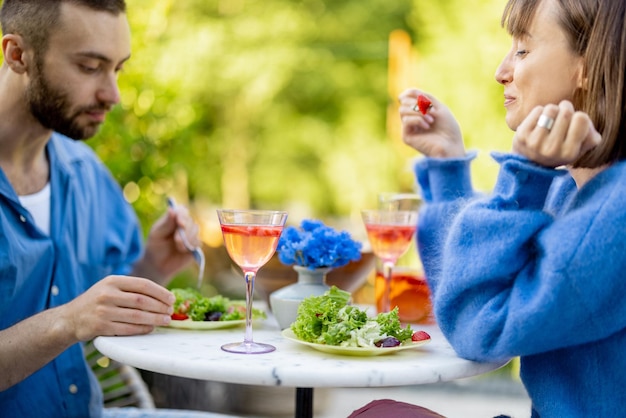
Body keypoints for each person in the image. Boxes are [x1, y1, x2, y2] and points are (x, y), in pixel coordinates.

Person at [392, 0, 626, 416]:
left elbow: (477, 326)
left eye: (522, 50)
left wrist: (523, 174)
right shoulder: (572, 188)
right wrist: (447, 164)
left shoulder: (613, 214)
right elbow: (464, 288)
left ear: (587, 65)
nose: (501, 71)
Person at [0, 1, 206, 416]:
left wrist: (154, 264)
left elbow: (104, 306)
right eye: (90, 67)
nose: (111, 94)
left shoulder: (85, 172)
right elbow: (79, 317)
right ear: (18, 55)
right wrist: (68, 322)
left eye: (118, 69)